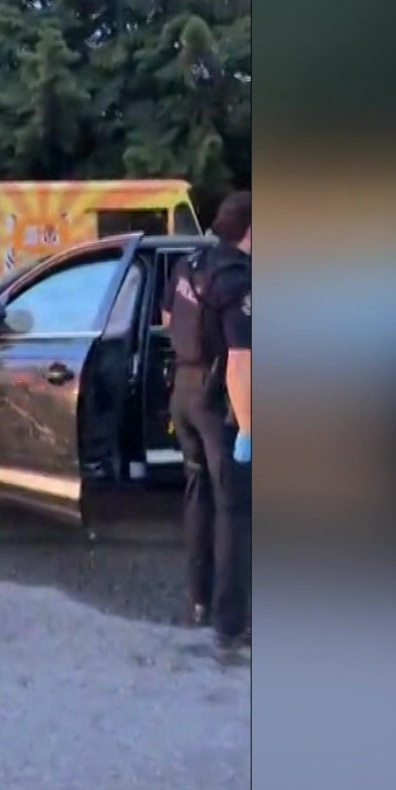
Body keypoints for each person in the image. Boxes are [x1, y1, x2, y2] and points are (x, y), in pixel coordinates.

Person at [163, 190, 252, 658]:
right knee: (234, 508)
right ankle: (232, 627)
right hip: (218, 401)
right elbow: (240, 362)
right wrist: (249, 428)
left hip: (183, 391)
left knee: (199, 494)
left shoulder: (189, 263)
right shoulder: (238, 278)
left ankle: (198, 601)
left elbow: (167, 317)